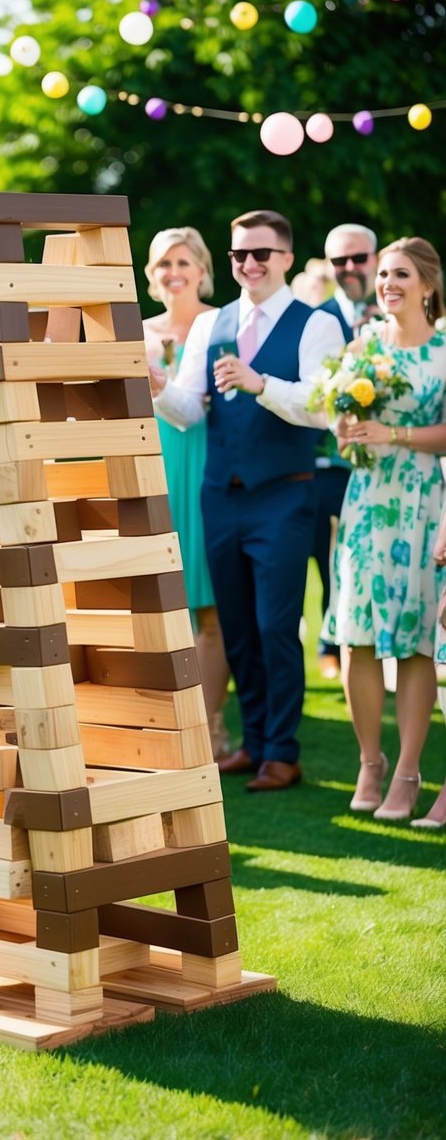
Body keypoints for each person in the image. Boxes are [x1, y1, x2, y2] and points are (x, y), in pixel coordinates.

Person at [151, 210, 343, 792]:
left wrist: (262, 384)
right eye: (239, 255)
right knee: (236, 628)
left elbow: (321, 406)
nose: (249, 264)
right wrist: (158, 387)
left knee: (276, 624)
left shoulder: (317, 326)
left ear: (285, 258)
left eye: (261, 254)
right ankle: (254, 741)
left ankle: (282, 751)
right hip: (221, 496)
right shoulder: (214, 326)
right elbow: (190, 408)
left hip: (284, 494)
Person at [323, 236, 446, 821]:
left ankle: (409, 770)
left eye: (400, 274)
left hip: (422, 498)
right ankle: (369, 762)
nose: (388, 283)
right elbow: (341, 417)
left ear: (428, 283)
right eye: (384, 276)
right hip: (368, 498)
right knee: (358, 634)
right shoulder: (366, 343)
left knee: (416, 637)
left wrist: (393, 436)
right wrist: (345, 427)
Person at [143, 227, 231, 758]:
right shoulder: (135, 330)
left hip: (205, 462)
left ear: (201, 268)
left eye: (183, 262)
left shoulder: (222, 323)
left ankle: (210, 724)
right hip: (152, 466)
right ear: (151, 275)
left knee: (210, 608)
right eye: (162, 264)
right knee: (155, 604)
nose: (173, 272)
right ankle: (159, 725)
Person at [312, 225, 380, 680]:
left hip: (380, 464)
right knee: (325, 554)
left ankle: (369, 645)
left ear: (373, 260)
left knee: (365, 556)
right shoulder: (315, 318)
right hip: (321, 462)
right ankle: (328, 640)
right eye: (340, 261)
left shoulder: (400, 315)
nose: (350, 268)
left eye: (358, 259)